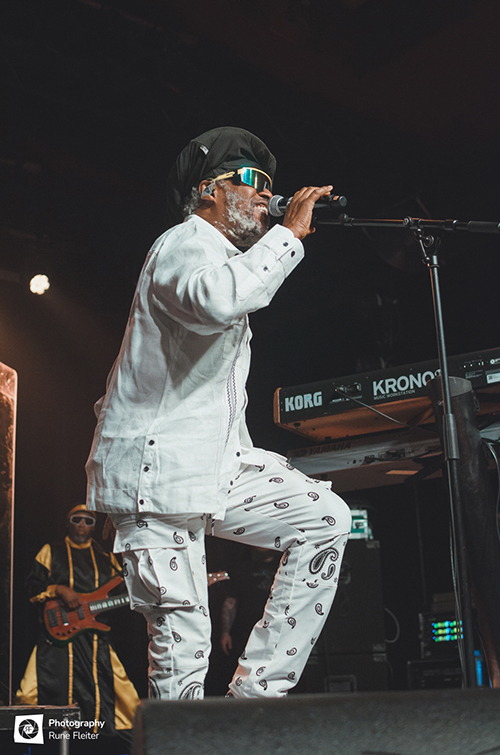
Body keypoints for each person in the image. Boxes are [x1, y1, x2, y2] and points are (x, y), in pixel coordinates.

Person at [85, 126, 352, 700]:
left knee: (324, 518)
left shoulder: (230, 261)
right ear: (208, 189)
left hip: (214, 467)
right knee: (184, 652)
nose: (266, 193)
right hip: (155, 480)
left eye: (271, 184)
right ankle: (185, 737)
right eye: (252, 180)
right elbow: (215, 301)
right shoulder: (184, 243)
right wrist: (287, 236)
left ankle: (252, 704)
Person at [16, 505, 140, 737]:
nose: (82, 525)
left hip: (94, 639)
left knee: (124, 696)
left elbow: (124, 590)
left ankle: (109, 742)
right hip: (55, 638)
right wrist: (58, 589)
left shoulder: (105, 558)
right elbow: (32, 587)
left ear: (94, 527)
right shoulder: (51, 551)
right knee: (30, 691)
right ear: (68, 522)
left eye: (88, 521)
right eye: (77, 519)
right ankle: (28, 741)